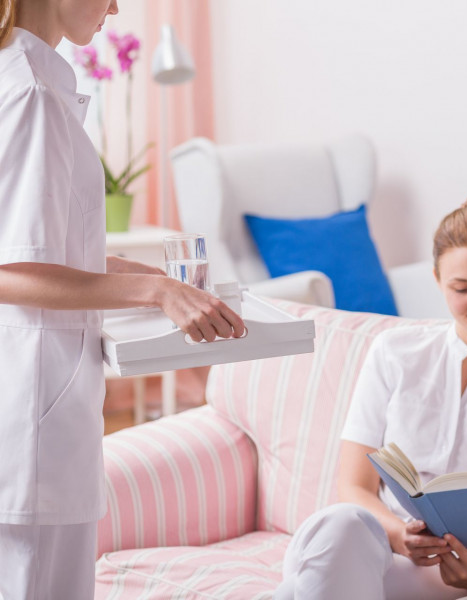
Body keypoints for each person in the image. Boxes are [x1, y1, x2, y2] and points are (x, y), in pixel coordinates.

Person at [0, 2, 246, 598]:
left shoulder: (23, 76)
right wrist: (154, 288)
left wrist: (150, 277)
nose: (115, 6)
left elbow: (49, 247)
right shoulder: (31, 94)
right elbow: (10, 267)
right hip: (31, 421)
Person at [275, 192, 467, 600]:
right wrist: (401, 537)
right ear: (437, 279)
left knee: (310, 580)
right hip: (376, 538)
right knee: (340, 525)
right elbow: (354, 486)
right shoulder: (393, 351)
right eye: (462, 287)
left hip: (451, 567)